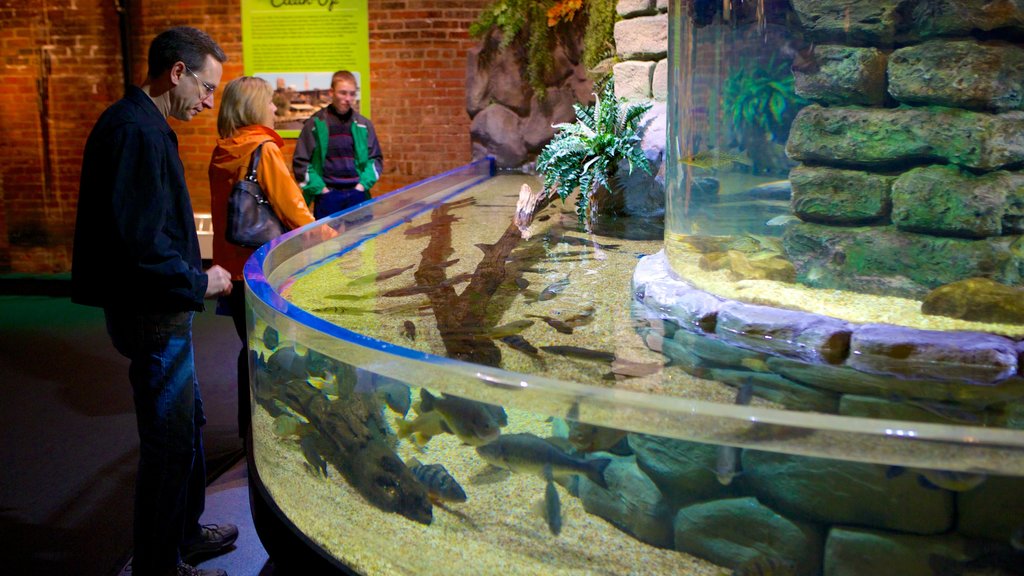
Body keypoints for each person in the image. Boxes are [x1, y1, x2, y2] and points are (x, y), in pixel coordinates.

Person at [71, 26, 238, 576]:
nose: (210, 100)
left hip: (157, 309)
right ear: (178, 73)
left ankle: (183, 535)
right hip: (154, 314)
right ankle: (160, 563)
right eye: (207, 87)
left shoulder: (139, 124)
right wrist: (200, 282)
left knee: (187, 423)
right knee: (169, 442)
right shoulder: (136, 132)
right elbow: (138, 247)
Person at [208, 76, 316, 439]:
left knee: (250, 350)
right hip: (263, 270)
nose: (274, 109)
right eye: (269, 102)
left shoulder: (223, 150)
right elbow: (296, 213)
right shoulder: (264, 150)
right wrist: (339, 242)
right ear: (254, 106)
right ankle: (269, 434)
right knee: (276, 353)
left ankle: (250, 433)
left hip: (232, 274)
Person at [293, 70, 383, 219]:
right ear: (331, 92)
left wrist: (361, 187)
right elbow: (301, 161)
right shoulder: (315, 124)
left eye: (352, 94)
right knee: (326, 242)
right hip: (327, 195)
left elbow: (375, 160)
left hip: (357, 194)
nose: (348, 98)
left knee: (361, 241)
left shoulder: (363, 125)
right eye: (343, 93)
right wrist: (322, 190)